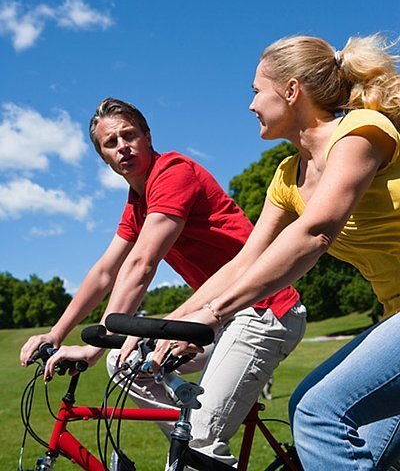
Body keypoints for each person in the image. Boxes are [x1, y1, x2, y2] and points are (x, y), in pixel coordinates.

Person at [152, 35, 400, 470]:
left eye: (255, 91)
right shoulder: (288, 175)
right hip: (392, 315)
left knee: (319, 415)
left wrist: (214, 315)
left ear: (290, 90)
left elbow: (315, 232)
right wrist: (174, 323)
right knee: (321, 421)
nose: (250, 106)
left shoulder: (361, 131)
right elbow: (244, 261)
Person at [20, 97, 306, 468]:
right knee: (122, 366)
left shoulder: (172, 173)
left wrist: (97, 345)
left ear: (148, 137)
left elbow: (142, 264)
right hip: (215, 316)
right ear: (104, 157)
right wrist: (55, 335)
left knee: (200, 437)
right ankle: (193, 455)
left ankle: (198, 449)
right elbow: (106, 271)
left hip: (264, 310)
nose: (123, 146)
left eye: (130, 135)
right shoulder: (136, 202)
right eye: (111, 143)